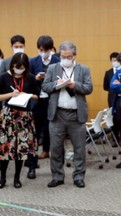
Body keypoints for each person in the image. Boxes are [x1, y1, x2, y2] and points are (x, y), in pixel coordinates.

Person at [42, 41, 93, 188]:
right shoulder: (52, 68)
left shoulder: (84, 69)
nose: (65, 59)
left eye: (68, 56)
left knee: (79, 149)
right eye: (63, 56)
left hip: (76, 115)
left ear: (74, 56)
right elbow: (45, 86)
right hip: (57, 114)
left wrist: (74, 85)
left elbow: (89, 88)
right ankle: (57, 176)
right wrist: (56, 85)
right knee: (56, 148)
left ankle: (78, 176)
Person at [0, 53, 39, 189]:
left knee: (20, 149)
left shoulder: (30, 78)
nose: (19, 70)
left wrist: (26, 95)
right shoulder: (4, 77)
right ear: (13, 65)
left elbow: (37, 96)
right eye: (17, 67)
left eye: (22, 67)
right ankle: (2, 178)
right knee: (6, 149)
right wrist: (11, 94)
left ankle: (17, 178)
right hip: (8, 116)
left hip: (24, 116)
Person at [24, 35, 60, 179]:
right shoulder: (33, 61)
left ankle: (56, 170)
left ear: (51, 49)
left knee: (53, 132)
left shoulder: (57, 61)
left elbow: (61, 80)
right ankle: (31, 166)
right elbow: (26, 80)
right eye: (40, 50)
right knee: (33, 134)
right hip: (36, 102)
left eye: (45, 50)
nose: (43, 52)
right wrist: (35, 78)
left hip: (52, 101)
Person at [103, 52, 120, 143]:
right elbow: (105, 86)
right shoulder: (108, 72)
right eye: (114, 60)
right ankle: (115, 138)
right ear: (111, 61)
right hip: (112, 99)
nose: (116, 62)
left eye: (117, 60)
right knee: (113, 118)